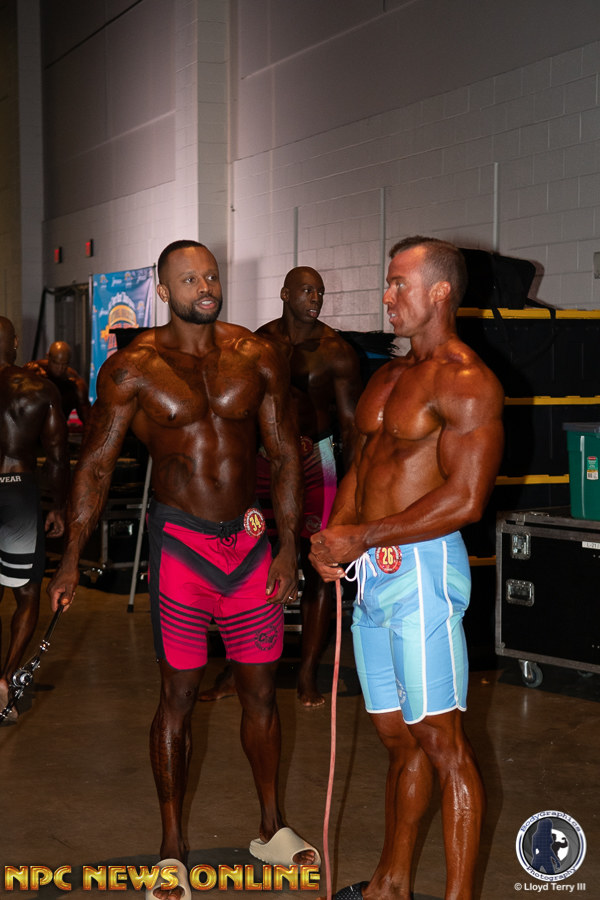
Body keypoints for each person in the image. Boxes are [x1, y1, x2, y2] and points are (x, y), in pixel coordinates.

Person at [47, 241, 320, 899]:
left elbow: (285, 453)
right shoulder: (133, 368)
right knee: (177, 697)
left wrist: (288, 546)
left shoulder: (258, 355)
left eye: (211, 275)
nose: (206, 286)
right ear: (165, 292)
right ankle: (171, 850)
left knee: (262, 694)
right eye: (190, 278)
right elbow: (95, 466)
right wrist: (70, 561)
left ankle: (272, 828)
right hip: (181, 550)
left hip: (248, 549)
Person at [309, 236, 505, 900]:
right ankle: (390, 884)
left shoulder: (466, 380)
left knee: (442, 740)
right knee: (398, 737)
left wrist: (364, 534)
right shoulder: (387, 376)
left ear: (440, 291)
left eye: (400, 284)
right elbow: (363, 465)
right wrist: (334, 535)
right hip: (370, 574)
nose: (387, 296)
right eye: (387, 283)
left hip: (421, 569)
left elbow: (467, 498)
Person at [200, 265, 362, 707]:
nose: (316, 299)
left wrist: (355, 487)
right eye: (307, 291)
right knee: (248, 563)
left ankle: (308, 672)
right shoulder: (258, 343)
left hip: (316, 461)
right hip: (264, 459)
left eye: (320, 292)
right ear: (285, 293)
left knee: (319, 564)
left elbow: (352, 425)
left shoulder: (337, 352)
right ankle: (236, 670)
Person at [0, 317, 69, 721]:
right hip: (18, 490)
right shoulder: (39, 389)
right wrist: (58, 506)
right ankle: (6, 676)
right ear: (15, 344)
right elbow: (57, 457)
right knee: (26, 593)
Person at [26, 340, 91, 426]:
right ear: (48, 357)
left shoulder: (76, 384)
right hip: (32, 427)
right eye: (56, 363)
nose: (60, 368)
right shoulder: (33, 372)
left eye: (64, 364)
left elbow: (89, 422)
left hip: (59, 428)